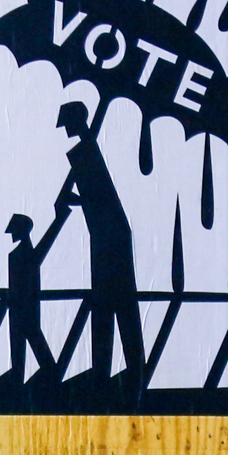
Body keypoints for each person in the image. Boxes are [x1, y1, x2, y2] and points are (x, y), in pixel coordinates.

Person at [52, 101, 144, 384]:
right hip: (106, 235)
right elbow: (93, 197)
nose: (65, 129)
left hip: (109, 237)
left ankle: (119, 370)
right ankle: (111, 370)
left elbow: (97, 198)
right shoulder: (85, 150)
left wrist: (69, 198)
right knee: (111, 303)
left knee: (114, 303)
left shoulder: (85, 152)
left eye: (67, 124)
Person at [2, 213, 54, 383]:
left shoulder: (24, 254)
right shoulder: (21, 254)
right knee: (26, 347)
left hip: (22, 309)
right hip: (20, 308)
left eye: (14, 230)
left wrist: (59, 219)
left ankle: (49, 379)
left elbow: (44, 247)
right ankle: (23, 382)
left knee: (30, 345)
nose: (12, 234)